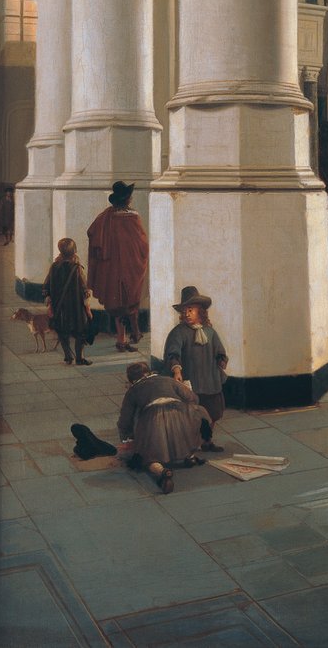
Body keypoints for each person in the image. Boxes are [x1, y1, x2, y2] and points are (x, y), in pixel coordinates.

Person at [117, 361, 213, 494]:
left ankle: (161, 471)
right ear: (149, 372)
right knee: (195, 416)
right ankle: (189, 456)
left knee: (148, 455)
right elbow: (193, 398)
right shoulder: (167, 380)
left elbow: (125, 420)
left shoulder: (133, 391)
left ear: (132, 380)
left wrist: (127, 437)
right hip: (182, 416)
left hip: (153, 421)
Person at [86, 180, 148, 353]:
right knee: (130, 301)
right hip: (130, 267)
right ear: (127, 199)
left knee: (118, 303)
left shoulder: (105, 216)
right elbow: (142, 244)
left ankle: (122, 339)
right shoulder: (133, 217)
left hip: (112, 268)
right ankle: (129, 336)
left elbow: (92, 234)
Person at [164, 286, 228, 452]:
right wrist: (177, 370)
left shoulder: (210, 332)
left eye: (190, 310)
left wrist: (221, 359)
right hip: (191, 381)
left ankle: (207, 441)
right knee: (192, 415)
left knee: (213, 413)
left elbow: (220, 350)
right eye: (184, 311)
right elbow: (173, 354)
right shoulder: (178, 332)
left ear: (200, 311)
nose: (186, 314)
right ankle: (190, 444)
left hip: (211, 380)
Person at [42, 238, 92, 366]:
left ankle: (68, 357)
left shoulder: (54, 267)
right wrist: (87, 305)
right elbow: (84, 288)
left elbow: (46, 285)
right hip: (76, 307)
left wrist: (48, 297)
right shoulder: (77, 268)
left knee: (62, 331)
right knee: (80, 332)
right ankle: (80, 358)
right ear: (74, 251)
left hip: (60, 306)